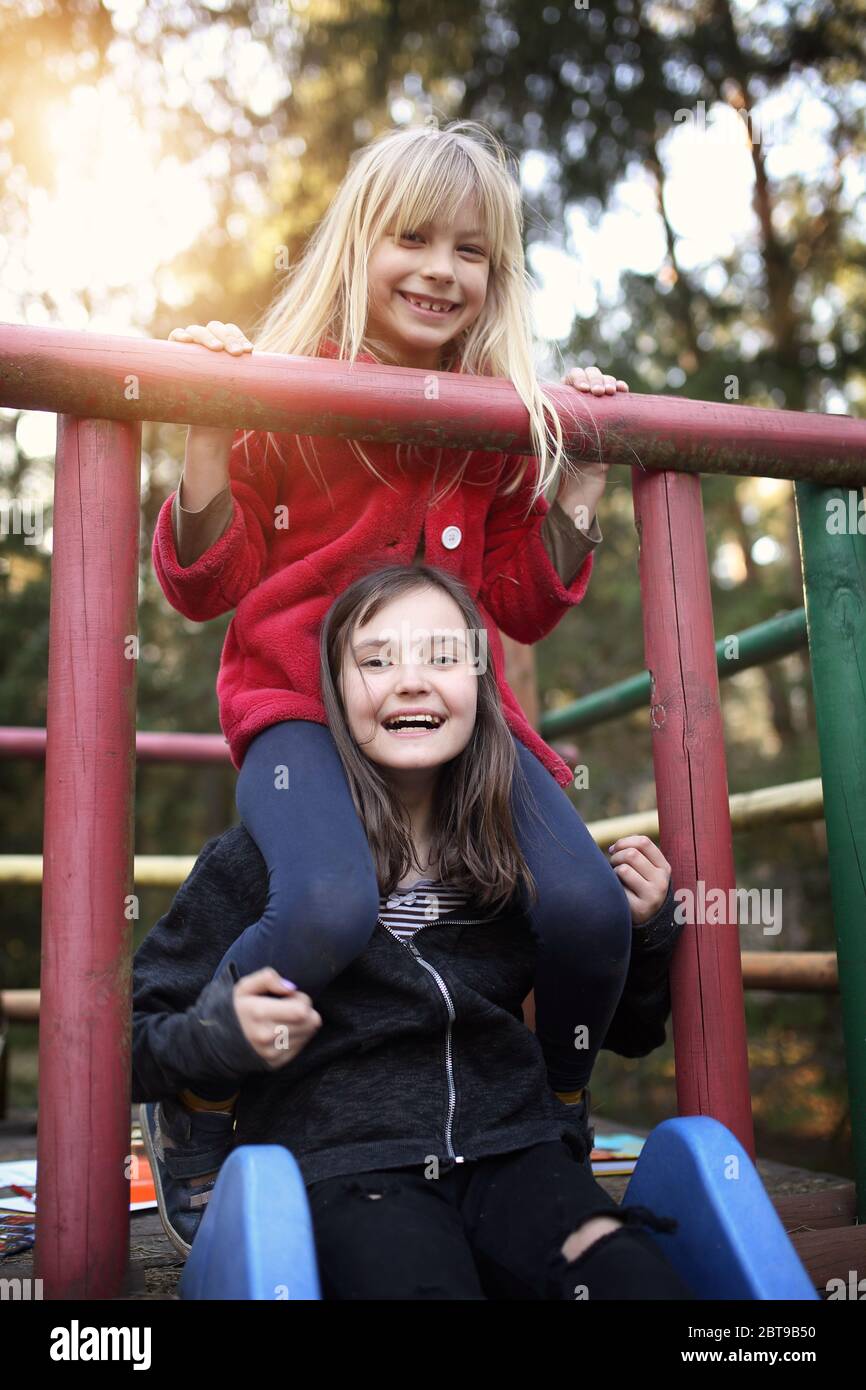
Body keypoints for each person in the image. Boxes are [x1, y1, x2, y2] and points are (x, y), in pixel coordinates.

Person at [149, 120, 633, 1213]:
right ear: (358, 246)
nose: (439, 270)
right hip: (301, 710)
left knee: (587, 908)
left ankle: (551, 1096)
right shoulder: (284, 389)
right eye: (411, 239)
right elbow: (200, 585)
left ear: (495, 276)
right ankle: (198, 1085)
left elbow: (515, 602)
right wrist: (204, 436)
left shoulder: (495, 418)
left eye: (470, 251)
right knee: (326, 902)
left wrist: (577, 485)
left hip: (461, 724)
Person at [135, 564, 695, 1300]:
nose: (411, 681)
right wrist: (217, 1034)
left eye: (442, 656)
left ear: (481, 686)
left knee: (629, 1279)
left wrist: (648, 932)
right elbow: (132, 1041)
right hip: (346, 1167)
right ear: (333, 697)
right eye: (375, 660)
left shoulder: (520, 855)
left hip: (518, 1155)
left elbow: (625, 1033)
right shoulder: (263, 862)